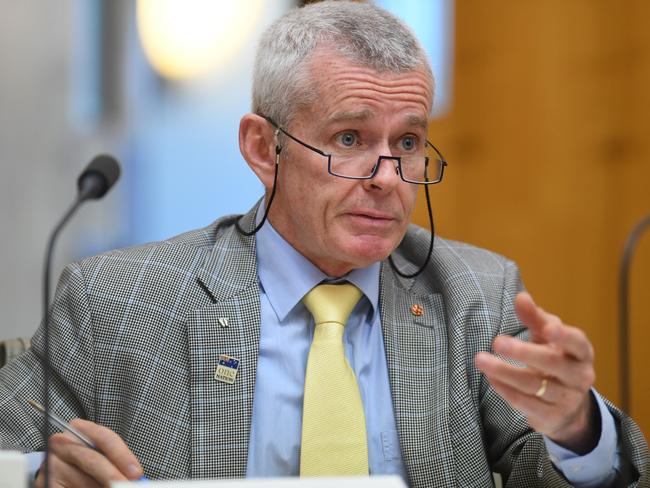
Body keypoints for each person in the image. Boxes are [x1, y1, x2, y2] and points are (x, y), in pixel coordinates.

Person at [0, 2, 648, 487]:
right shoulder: (119, 299)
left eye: (410, 144)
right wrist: (36, 474)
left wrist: (576, 431)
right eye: (349, 140)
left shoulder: (476, 294)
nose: (389, 178)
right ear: (263, 147)